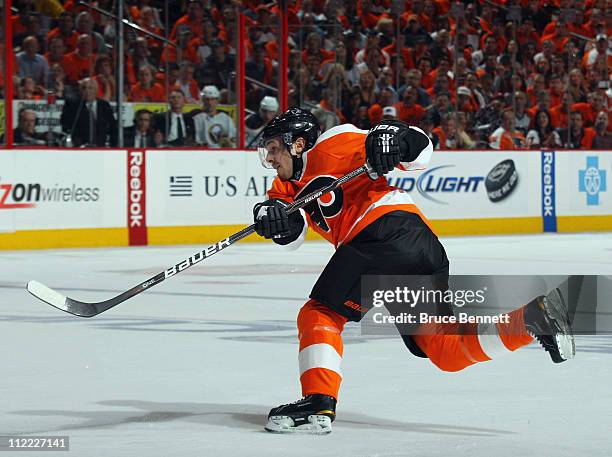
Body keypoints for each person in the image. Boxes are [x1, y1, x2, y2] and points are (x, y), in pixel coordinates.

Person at [253, 108, 575, 434]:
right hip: (416, 245)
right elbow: (290, 236)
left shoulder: (336, 141)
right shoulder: (285, 188)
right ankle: (534, 318)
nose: (270, 156)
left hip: (382, 232)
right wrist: (272, 220)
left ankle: (317, 403)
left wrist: (395, 139)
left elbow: (420, 152)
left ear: (298, 143)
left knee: (320, 313)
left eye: (275, 147)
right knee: (442, 347)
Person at [60, 78, 117, 147]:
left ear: (96, 90)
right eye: (84, 88)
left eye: (90, 88)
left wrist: (113, 146)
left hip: (101, 147)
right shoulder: (72, 105)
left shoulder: (104, 105)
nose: (87, 91)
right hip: (79, 147)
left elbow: (113, 127)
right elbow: (65, 124)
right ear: (80, 90)